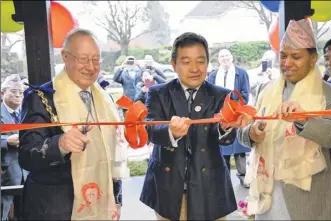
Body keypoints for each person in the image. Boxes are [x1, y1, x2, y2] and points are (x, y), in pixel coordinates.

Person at [237, 18, 331, 220]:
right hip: (268, 195)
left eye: (296, 57)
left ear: (313, 59)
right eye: (283, 56)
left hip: (309, 200)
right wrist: (251, 134)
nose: (287, 63)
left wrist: (304, 120)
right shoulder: (266, 90)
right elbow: (242, 134)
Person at [139, 32, 248, 220]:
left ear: (207, 63)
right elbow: (148, 128)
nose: (195, 68)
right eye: (186, 61)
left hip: (210, 186)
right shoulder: (158, 93)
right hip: (168, 185)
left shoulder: (222, 95)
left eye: (200, 61)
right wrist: (170, 131)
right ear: (174, 65)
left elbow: (226, 138)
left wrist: (226, 126)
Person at [18, 28, 125, 220]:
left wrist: (116, 199)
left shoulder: (103, 99)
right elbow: (26, 156)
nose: (90, 67)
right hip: (55, 209)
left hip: (102, 202)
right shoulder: (42, 98)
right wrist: (59, 144)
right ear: (65, 57)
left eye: (96, 59)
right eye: (83, 59)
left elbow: (112, 154)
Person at [207, 49, 251, 187]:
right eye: (222, 56)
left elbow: (244, 94)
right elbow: (209, 95)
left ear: (231, 58)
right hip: (220, 116)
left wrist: (232, 105)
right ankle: (224, 179)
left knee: (239, 150)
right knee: (222, 148)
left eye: (227, 56)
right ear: (218, 60)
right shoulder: (213, 76)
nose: (224, 58)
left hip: (236, 115)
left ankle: (243, 175)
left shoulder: (241, 73)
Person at [1, 74, 26, 221]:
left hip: (28, 172)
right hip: (6, 173)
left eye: (21, 92)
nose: (17, 95)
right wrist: (6, 141)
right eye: (13, 91)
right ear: (3, 93)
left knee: (26, 210)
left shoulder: (27, 113)